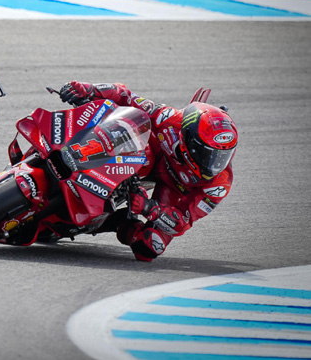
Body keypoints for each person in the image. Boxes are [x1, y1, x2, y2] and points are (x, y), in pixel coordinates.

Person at [59, 81, 238, 261]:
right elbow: (126, 96)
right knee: (141, 149)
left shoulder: (219, 185)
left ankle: (106, 220)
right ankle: (80, 154)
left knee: (149, 246)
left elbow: (183, 222)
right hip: (152, 156)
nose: (216, 163)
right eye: (208, 155)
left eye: (223, 156)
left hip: (173, 190)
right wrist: (90, 89)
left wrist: (150, 208)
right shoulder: (170, 119)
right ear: (190, 141)